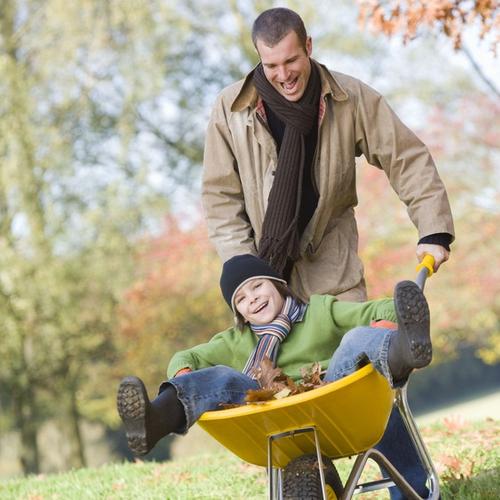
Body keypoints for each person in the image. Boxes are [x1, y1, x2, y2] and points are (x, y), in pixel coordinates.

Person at [117, 254, 433, 497]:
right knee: (220, 377)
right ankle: (154, 421)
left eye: (257, 286)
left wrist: (386, 327)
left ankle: (404, 353)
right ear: (238, 311)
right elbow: (185, 357)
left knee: (355, 340)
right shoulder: (235, 341)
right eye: (241, 298)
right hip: (277, 418)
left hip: (336, 398)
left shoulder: (319, 312)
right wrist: (185, 372)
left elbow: (382, 310)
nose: (252, 298)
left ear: (277, 284)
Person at [201, 7, 454, 302]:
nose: (283, 75)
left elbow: (406, 159)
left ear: (308, 46)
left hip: (335, 279)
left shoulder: (351, 98)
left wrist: (433, 231)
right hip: (262, 285)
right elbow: (220, 196)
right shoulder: (231, 108)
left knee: (355, 347)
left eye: (291, 60)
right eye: (271, 65)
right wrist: (246, 271)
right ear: (259, 56)